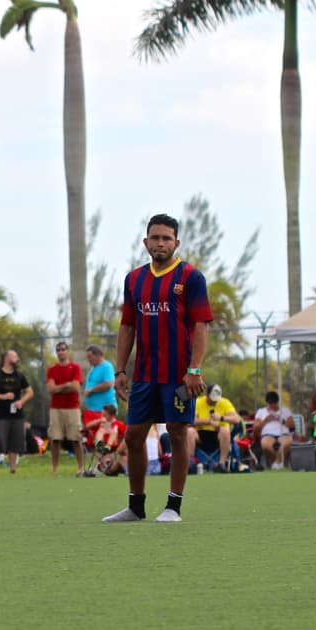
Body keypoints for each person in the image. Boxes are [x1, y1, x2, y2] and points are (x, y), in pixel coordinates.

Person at [104, 213, 213, 523]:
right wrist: (120, 370)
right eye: (156, 237)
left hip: (178, 375)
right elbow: (127, 326)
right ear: (146, 242)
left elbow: (201, 325)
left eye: (167, 238)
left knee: (178, 434)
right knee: (133, 436)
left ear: (176, 243)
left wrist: (194, 369)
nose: (161, 243)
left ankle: (173, 507)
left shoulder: (191, 277)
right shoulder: (134, 279)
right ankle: (135, 507)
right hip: (144, 375)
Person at [0, 349, 33, 475]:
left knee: (14, 443)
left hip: (17, 415)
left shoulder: (19, 375)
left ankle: (13, 469)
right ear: (6, 359)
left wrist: (21, 401)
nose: (17, 358)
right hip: (0, 416)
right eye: (15, 356)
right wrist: (3, 396)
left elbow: (30, 392)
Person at [46, 342, 84, 476]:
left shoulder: (75, 367)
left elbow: (75, 387)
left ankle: (80, 468)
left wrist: (59, 388)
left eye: (63, 349)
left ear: (68, 351)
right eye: (58, 350)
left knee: (76, 438)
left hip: (72, 408)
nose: (61, 352)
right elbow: (50, 389)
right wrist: (65, 385)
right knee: (55, 439)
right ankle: (55, 469)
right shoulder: (52, 369)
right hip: (55, 408)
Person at [188, 384, 240, 472]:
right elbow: (191, 420)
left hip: (218, 434)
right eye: (212, 399)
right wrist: (209, 421)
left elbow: (236, 419)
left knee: (225, 430)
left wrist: (221, 418)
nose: (214, 402)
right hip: (201, 434)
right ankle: (191, 462)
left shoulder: (225, 402)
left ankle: (221, 463)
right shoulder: (198, 402)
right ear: (207, 395)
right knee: (189, 431)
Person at [253, 391, 294, 470]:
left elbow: (292, 425)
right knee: (265, 445)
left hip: (284, 434)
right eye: (270, 403)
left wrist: (282, 420)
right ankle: (280, 462)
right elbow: (256, 428)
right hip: (268, 435)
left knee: (288, 442)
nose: (272, 405)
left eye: (274, 403)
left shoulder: (285, 411)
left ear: (277, 402)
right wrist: (265, 420)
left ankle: (276, 463)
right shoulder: (261, 412)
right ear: (267, 403)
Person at [86, 403, 126, 477]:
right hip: (99, 447)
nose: (102, 417)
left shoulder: (118, 424)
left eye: (105, 415)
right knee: (101, 431)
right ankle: (100, 444)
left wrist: (121, 444)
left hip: (113, 447)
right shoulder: (101, 422)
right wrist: (98, 421)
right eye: (102, 415)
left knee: (114, 431)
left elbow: (126, 435)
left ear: (112, 416)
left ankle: (105, 464)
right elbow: (87, 426)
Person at [82, 344, 116, 428]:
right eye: (87, 357)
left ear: (98, 355)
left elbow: (109, 384)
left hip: (105, 412)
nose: (88, 359)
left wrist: (91, 390)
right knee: (95, 437)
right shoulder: (93, 369)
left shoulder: (106, 367)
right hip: (93, 410)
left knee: (105, 435)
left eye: (90, 356)